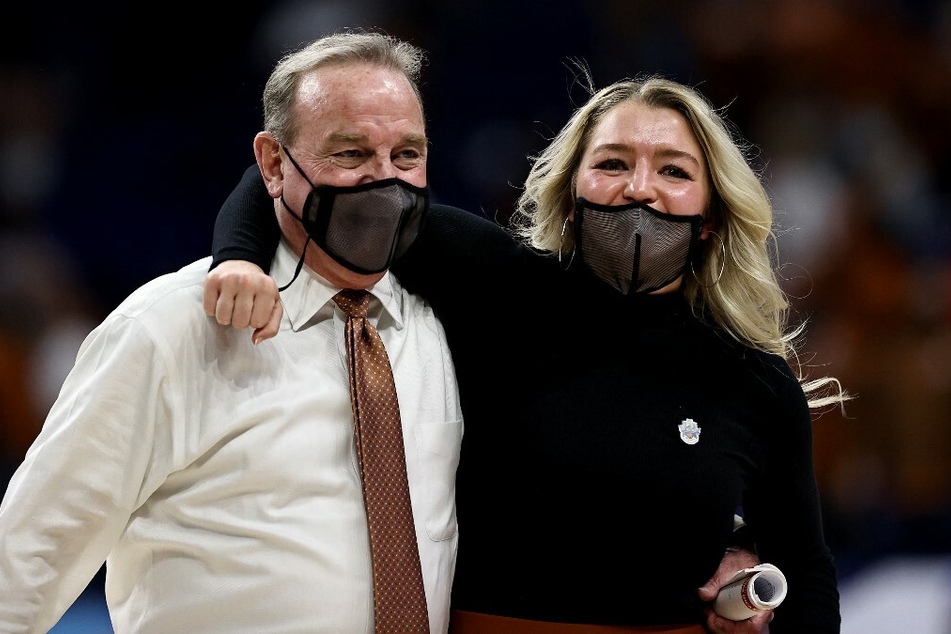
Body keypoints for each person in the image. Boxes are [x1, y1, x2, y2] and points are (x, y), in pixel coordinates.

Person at [205, 64, 848, 634]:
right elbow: (292, 187)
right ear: (571, 196)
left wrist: (747, 551)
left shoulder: (753, 382)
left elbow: (808, 570)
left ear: (710, 217)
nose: (639, 189)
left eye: (673, 171)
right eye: (612, 163)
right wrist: (239, 261)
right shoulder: (495, 281)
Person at [0, 32, 465, 633]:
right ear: (273, 163)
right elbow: (29, 554)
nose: (384, 181)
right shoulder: (170, 328)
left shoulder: (445, 323)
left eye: (406, 156)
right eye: (350, 155)